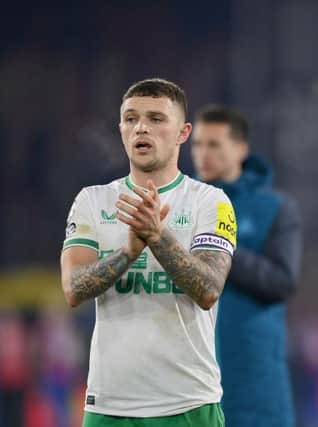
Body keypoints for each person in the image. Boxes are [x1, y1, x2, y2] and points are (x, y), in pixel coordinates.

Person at [60, 78, 235, 427]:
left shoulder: (210, 202)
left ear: (183, 133)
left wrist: (158, 236)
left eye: (156, 118)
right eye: (131, 118)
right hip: (110, 404)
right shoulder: (92, 201)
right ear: (122, 129)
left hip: (188, 403)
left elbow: (208, 289)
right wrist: (128, 252)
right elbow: (73, 289)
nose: (141, 127)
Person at [191, 105, 302, 427]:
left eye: (214, 144)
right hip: (192, 371)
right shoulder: (183, 205)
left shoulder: (275, 208)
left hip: (254, 375)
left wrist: (220, 248)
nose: (203, 154)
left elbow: (282, 281)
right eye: (198, 144)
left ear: (240, 149)